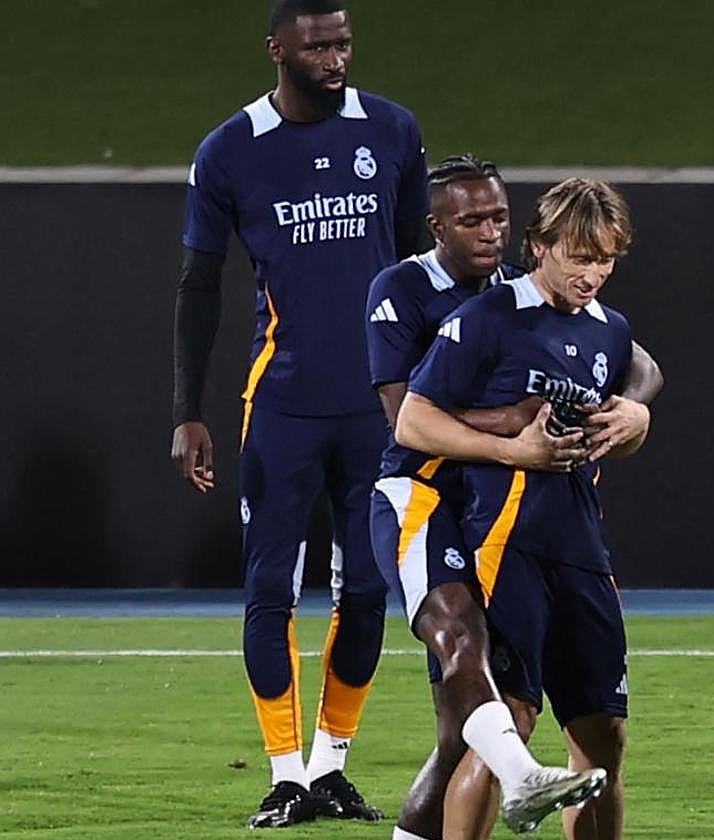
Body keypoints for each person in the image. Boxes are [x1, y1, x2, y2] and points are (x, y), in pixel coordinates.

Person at [170, 0, 428, 827]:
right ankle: (283, 773)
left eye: (344, 41)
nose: (335, 56)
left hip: (379, 409)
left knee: (366, 593)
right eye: (318, 44)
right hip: (280, 405)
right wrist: (187, 409)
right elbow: (199, 285)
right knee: (269, 591)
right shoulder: (230, 151)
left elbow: (421, 271)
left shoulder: (391, 131)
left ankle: (330, 767)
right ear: (277, 48)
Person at [365, 157, 661, 839]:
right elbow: (411, 420)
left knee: (604, 734)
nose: (592, 275)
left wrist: (634, 421)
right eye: (580, 258)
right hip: (504, 539)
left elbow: (633, 392)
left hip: (582, 543)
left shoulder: (609, 329)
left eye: (607, 261)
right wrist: (512, 447)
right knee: (507, 725)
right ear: (542, 246)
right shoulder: (486, 318)